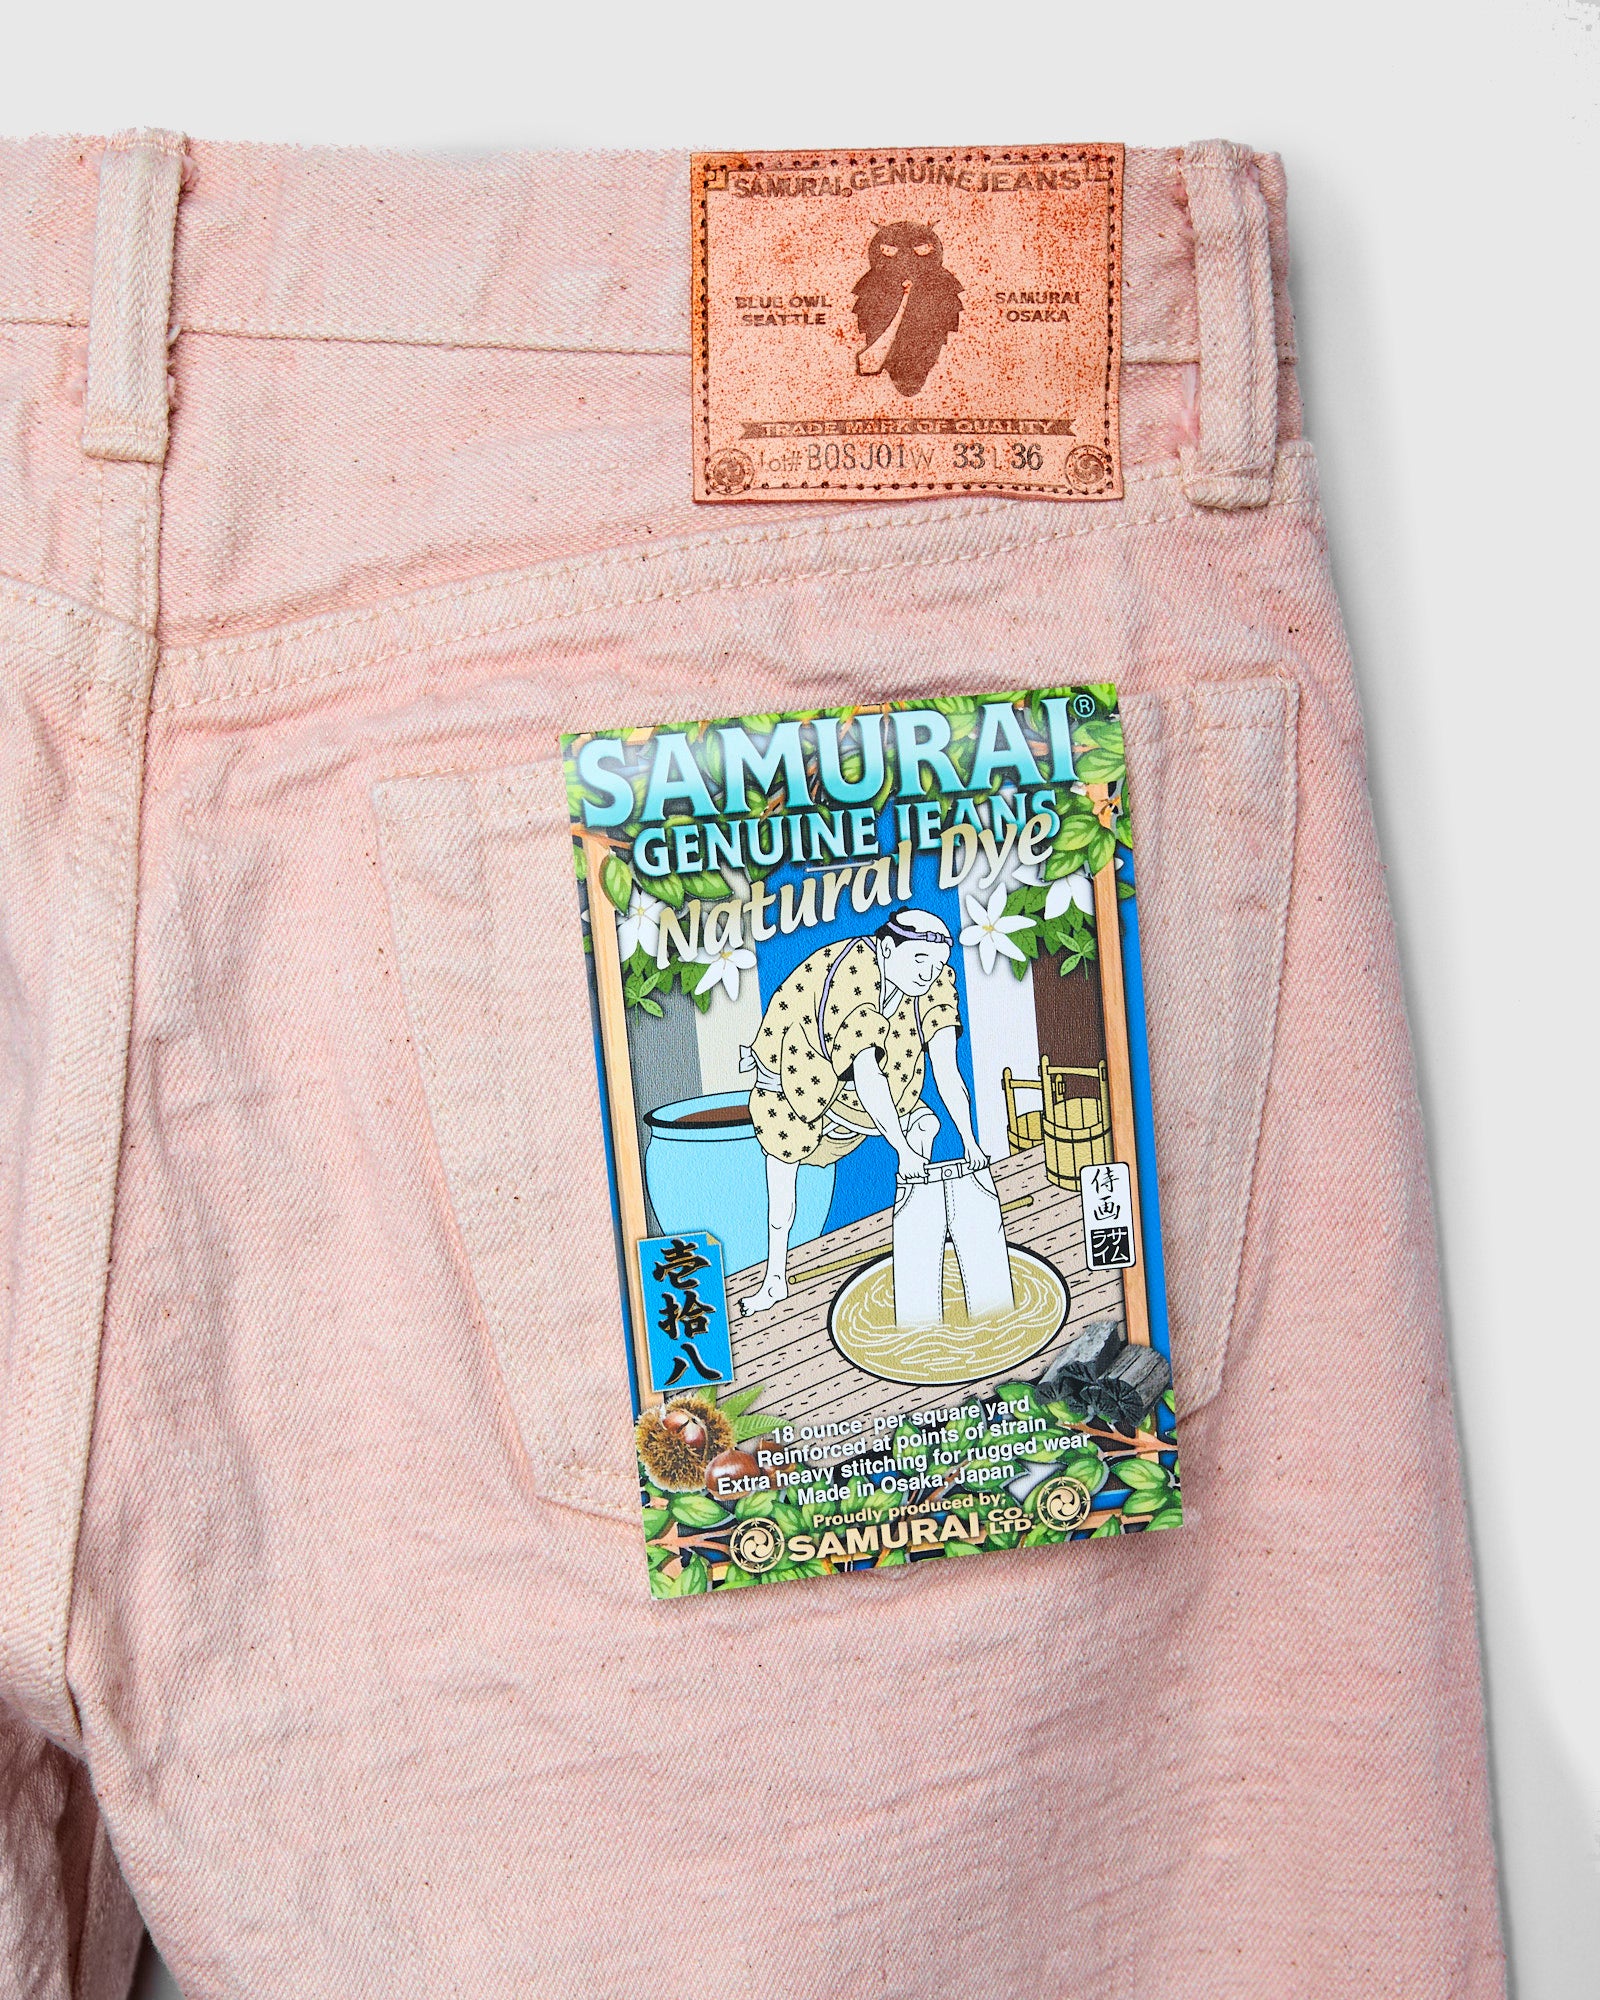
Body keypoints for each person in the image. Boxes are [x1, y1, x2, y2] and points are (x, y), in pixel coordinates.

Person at [738, 908, 986, 1313]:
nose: (928, 972)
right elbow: (866, 1072)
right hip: (797, 1083)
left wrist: (970, 1141)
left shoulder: (934, 981)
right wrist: (902, 1151)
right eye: (919, 959)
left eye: (937, 963)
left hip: (869, 1096)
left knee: (925, 1125)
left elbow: (946, 1066)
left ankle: (917, 1252)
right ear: (887, 948)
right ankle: (774, 1279)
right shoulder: (853, 972)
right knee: (782, 1188)